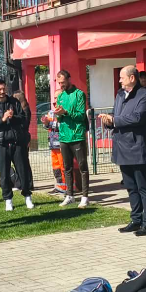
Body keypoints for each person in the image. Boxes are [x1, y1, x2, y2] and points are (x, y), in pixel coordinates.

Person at [98, 65, 146, 236]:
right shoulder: (119, 94)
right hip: (121, 147)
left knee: (143, 187)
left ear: (132, 78)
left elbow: (138, 117)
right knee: (130, 186)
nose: (119, 81)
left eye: (122, 77)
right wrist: (108, 121)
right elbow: (116, 115)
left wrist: (115, 120)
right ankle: (136, 219)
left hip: (138, 147)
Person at [0, 79, 34, 212]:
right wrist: (2, 119)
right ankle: (8, 200)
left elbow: (23, 119)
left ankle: (27, 196)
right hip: (1, 144)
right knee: (4, 174)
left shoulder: (14, 102)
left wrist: (13, 117)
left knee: (23, 171)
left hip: (17, 142)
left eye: (4, 89)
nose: (2, 91)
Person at [53, 70, 89, 207]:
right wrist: (58, 114)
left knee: (82, 166)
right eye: (59, 83)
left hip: (77, 135)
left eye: (63, 82)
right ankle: (69, 195)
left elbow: (81, 115)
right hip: (64, 136)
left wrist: (66, 112)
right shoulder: (61, 96)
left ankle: (85, 196)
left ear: (69, 79)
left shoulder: (79, 94)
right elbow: (59, 118)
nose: (61, 85)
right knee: (66, 167)